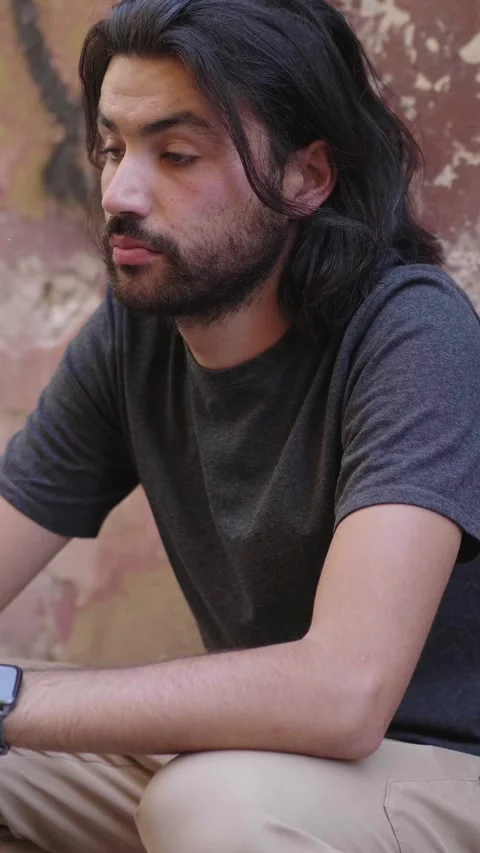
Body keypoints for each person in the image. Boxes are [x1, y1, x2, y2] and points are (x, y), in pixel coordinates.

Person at [1, 0, 480, 850]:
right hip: (257, 756)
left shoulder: (412, 334)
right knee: (209, 788)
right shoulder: (136, 335)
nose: (119, 191)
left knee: (216, 804)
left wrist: (8, 696)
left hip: (439, 765)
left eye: (176, 154)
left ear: (307, 176)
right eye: (111, 147)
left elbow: (343, 692)